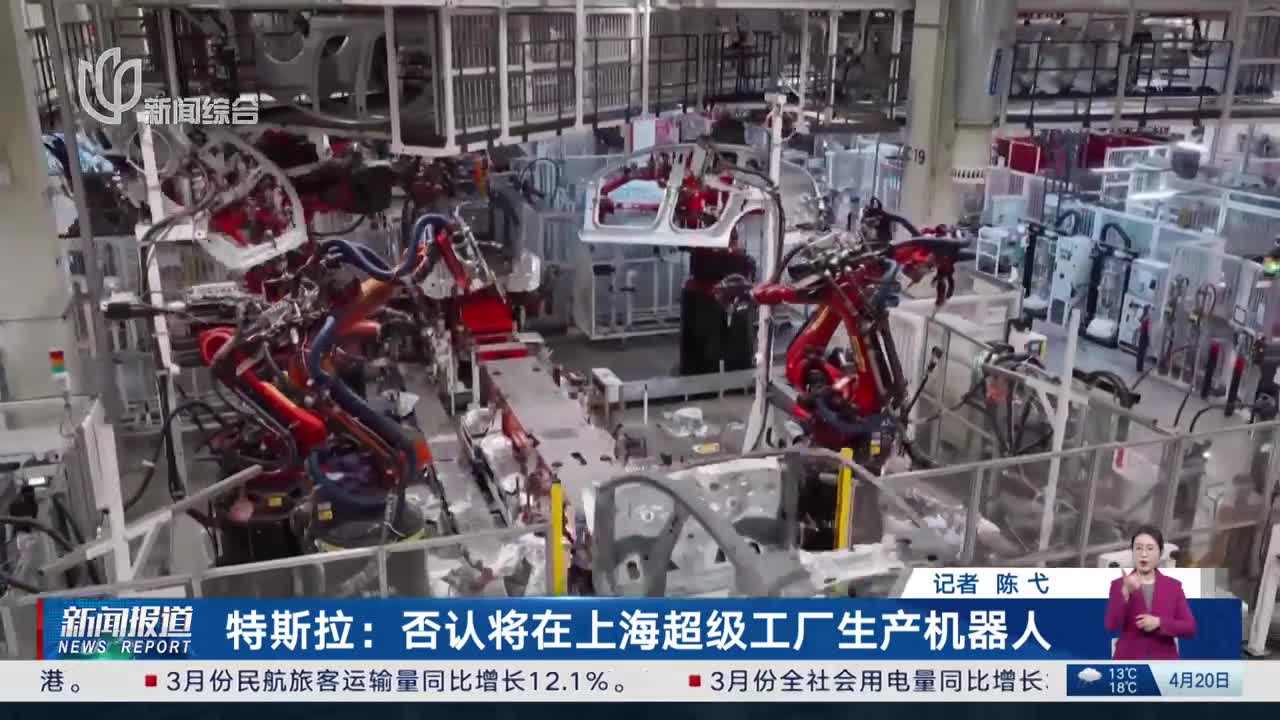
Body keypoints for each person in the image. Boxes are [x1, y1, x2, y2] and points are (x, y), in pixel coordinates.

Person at [1104, 525, 1197, 659]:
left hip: (1164, 664)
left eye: (1150, 548)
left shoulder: (1173, 586)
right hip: (1130, 663)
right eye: (1138, 548)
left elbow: (1190, 628)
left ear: (1160, 552)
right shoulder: (1119, 584)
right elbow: (1111, 625)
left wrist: (1159, 623)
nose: (1143, 554)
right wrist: (1125, 594)